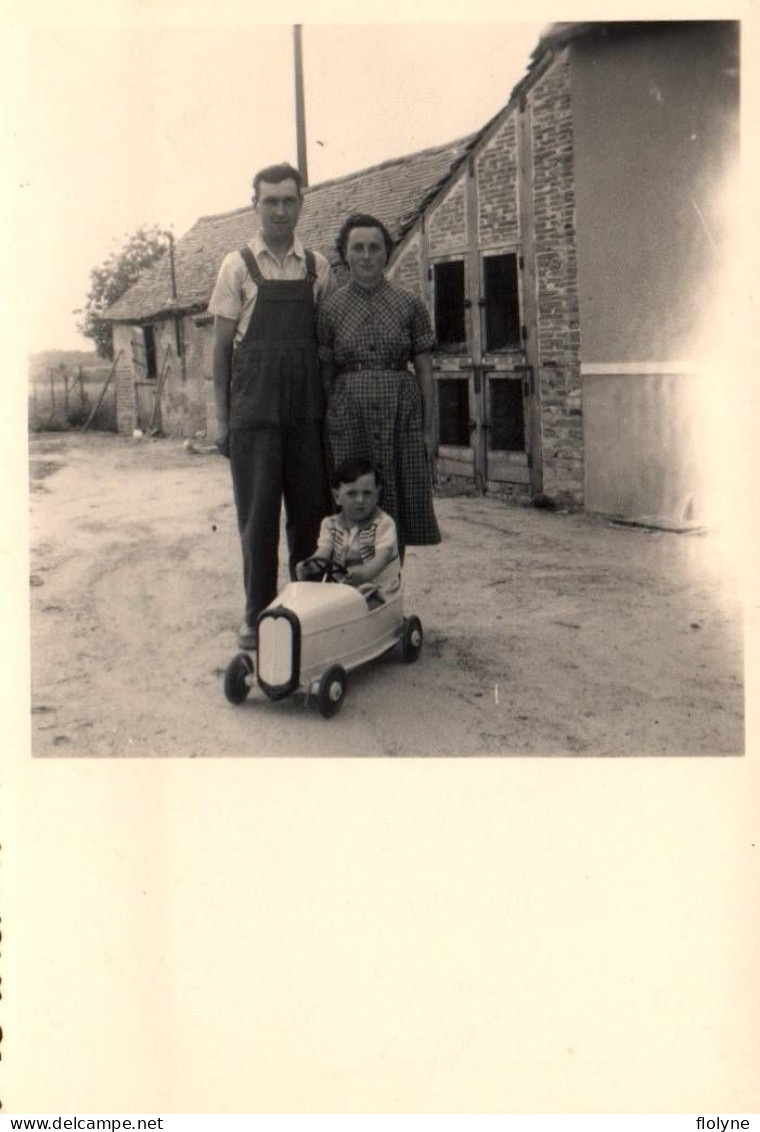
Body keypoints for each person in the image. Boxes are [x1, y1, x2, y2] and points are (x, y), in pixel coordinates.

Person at [209, 162, 336, 650]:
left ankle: (305, 614)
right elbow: (220, 349)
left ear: (301, 203)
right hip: (255, 413)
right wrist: (223, 419)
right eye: (271, 201)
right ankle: (257, 616)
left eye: (289, 200)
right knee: (257, 519)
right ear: (255, 204)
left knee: (311, 516)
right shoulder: (236, 265)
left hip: (306, 412)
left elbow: (324, 339)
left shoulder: (317, 267)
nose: (281, 210)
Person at [317, 213, 441, 562]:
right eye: (358, 248)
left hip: (401, 414)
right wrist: (328, 427)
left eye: (375, 247)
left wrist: (430, 431)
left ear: (386, 252)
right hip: (348, 416)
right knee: (353, 498)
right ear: (345, 254)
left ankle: (389, 590)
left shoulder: (409, 304)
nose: (367, 255)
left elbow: (425, 371)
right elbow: (326, 374)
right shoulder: (331, 309)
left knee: (394, 500)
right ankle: (354, 593)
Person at [296, 457, 401, 602]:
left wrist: (362, 574)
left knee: (358, 609)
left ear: (377, 494)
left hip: (376, 590)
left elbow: (380, 561)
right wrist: (309, 566)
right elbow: (322, 554)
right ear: (337, 497)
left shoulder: (384, 524)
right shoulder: (330, 524)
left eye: (367, 493)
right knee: (315, 606)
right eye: (351, 494)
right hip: (342, 588)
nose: (360, 500)